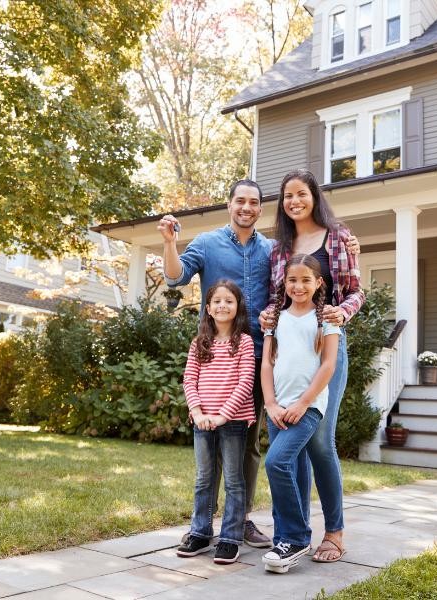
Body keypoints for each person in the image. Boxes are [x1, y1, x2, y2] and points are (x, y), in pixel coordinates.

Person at [158, 180, 273, 547]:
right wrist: (170, 243)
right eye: (240, 200)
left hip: (257, 359)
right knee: (210, 449)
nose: (246, 207)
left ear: (260, 208)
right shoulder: (207, 243)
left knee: (248, 446)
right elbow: (175, 277)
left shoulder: (271, 249)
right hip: (215, 360)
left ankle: (241, 521)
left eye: (253, 202)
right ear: (229, 205)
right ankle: (204, 524)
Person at [260, 169, 365, 563]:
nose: (294, 201)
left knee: (321, 443)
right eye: (287, 195)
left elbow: (356, 291)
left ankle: (334, 533)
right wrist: (268, 318)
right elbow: (277, 297)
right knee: (293, 446)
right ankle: (296, 533)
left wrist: (341, 312)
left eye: (301, 194)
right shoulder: (278, 247)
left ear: (313, 196)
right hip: (289, 349)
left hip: (326, 345)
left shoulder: (338, 236)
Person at [261, 254, 341, 574]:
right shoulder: (275, 319)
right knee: (290, 469)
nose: (298, 285)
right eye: (293, 279)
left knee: (276, 461)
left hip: (307, 408)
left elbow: (328, 365)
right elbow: (267, 363)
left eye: (306, 279)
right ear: (284, 282)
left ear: (318, 283)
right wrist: (270, 403)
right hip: (277, 407)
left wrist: (303, 403)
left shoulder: (327, 320)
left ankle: (296, 537)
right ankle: (284, 541)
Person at [177, 280, 256, 564]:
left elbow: (246, 381)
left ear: (237, 308)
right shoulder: (200, 343)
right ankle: (200, 532)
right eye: (217, 301)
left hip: (232, 420)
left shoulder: (244, 342)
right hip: (202, 421)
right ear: (208, 308)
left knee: (234, 480)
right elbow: (189, 379)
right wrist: (197, 413)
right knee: (204, 479)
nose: (223, 305)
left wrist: (224, 414)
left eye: (229, 301)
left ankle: (231, 538)